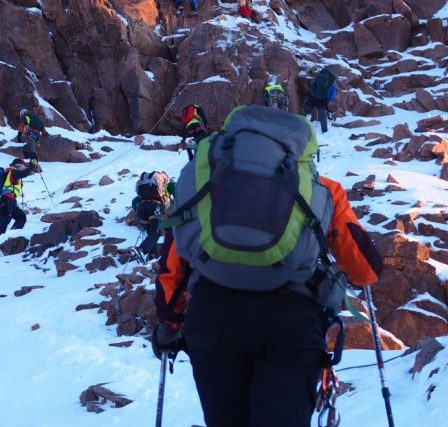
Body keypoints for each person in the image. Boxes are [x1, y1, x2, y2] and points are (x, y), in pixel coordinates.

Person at [152, 105, 382, 427]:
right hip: (291, 323)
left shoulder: (206, 176)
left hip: (213, 318)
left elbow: (174, 260)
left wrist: (170, 323)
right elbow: (365, 270)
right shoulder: (322, 188)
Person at [130, 171, 174, 257]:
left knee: (151, 233)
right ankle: (141, 250)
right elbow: (175, 190)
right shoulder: (168, 185)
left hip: (141, 208)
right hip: (155, 206)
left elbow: (134, 201)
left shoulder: (144, 190)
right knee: (156, 232)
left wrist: (138, 214)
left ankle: (153, 254)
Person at [0, 157, 39, 237]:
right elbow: (24, 173)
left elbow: (22, 174)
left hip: (10, 200)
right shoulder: (13, 172)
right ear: (18, 165)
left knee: (21, 217)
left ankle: (11, 236)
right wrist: (32, 166)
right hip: (7, 200)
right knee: (4, 221)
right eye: (24, 165)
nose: (24, 167)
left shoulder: (13, 173)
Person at [303, 68, 337, 134]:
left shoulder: (319, 76)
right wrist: (328, 100)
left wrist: (312, 94)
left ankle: (297, 122)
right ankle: (324, 131)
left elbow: (313, 86)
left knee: (306, 111)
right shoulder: (331, 81)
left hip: (312, 97)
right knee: (322, 115)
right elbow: (333, 93)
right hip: (322, 100)